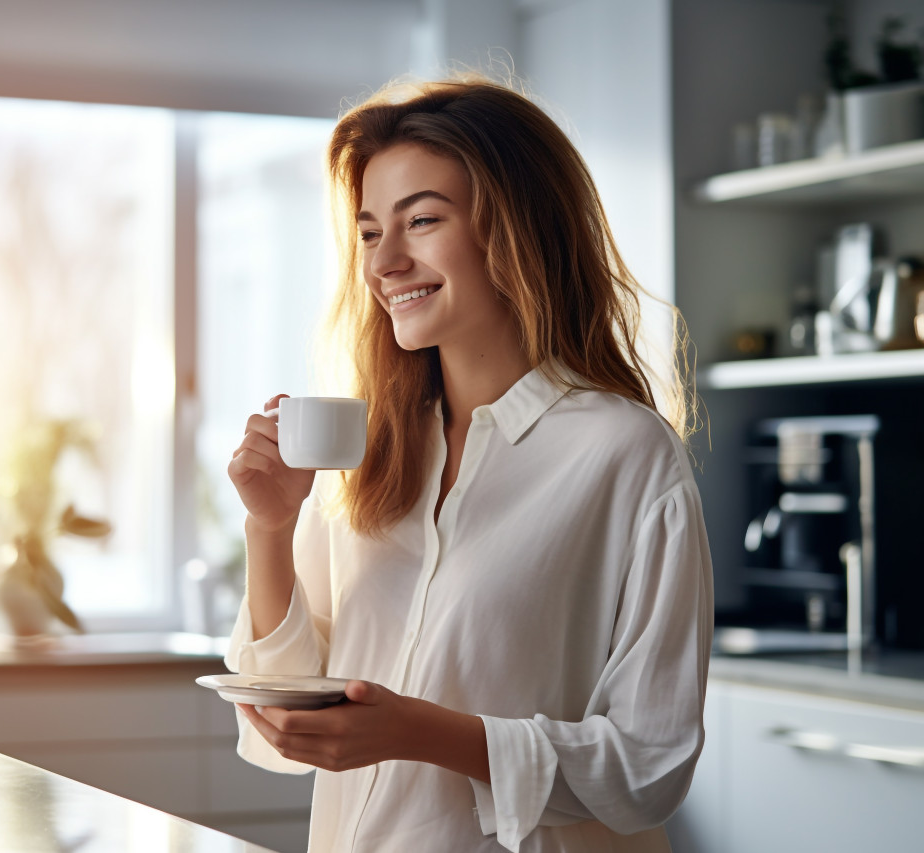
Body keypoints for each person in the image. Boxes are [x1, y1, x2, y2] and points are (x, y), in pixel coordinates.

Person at [224, 73, 712, 853]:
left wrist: (423, 731)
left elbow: (648, 766)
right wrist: (270, 526)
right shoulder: (367, 451)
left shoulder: (623, 452)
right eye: (370, 232)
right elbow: (281, 728)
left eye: (421, 219)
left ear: (518, 227)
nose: (385, 262)